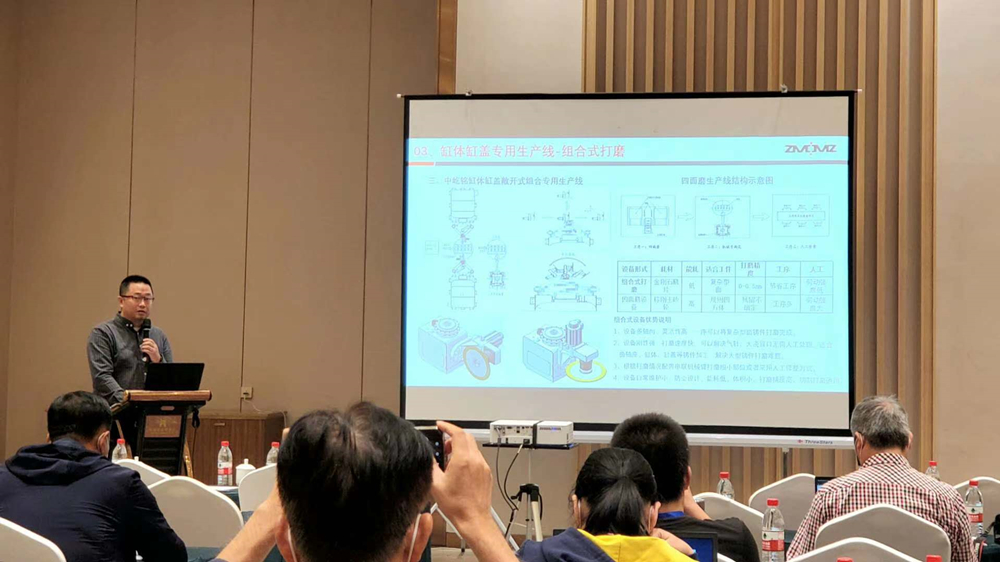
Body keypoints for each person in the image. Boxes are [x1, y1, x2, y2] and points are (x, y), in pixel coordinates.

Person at [0, 391, 186, 562]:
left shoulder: (4, 476)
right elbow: (171, 556)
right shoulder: (121, 483)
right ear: (103, 441)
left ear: (49, 438)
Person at [787, 395, 974, 561]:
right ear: (909, 441)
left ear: (859, 442)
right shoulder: (947, 499)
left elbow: (797, 559)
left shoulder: (830, 496)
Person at [611, 412, 760, 562]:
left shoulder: (604, 543)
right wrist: (694, 508)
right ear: (687, 478)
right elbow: (721, 540)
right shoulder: (736, 539)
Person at [517, 447, 692, 562]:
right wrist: (690, 555)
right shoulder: (678, 559)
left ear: (577, 508)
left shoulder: (536, 556)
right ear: (653, 515)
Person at [87, 274, 173, 450]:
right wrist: (129, 401)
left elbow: (171, 379)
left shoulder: (158, 335)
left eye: (148, 298)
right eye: (137, 298)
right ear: (121, 301)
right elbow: (102, 377)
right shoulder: (103, 333)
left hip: (152, 418)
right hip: (114, 416)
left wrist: (158, 359)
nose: (143, 304)